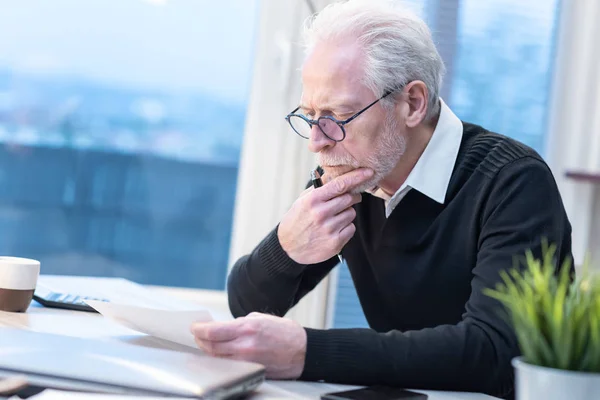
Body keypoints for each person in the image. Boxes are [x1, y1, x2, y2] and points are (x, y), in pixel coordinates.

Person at [190, 0, 572, 398]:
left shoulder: (514, 182)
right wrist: (286, 249)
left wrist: (309, 352)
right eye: (309, 117)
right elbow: (246, 306)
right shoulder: (353, 173)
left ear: (412, 103)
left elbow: (494, 353)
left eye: (336, 118)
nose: (317, 142)